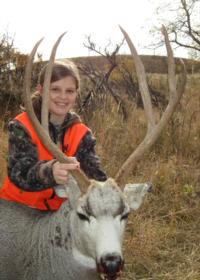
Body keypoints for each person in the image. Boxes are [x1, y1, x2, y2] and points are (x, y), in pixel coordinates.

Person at [0, 59, 107, 211]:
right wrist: (50, 172)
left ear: (76, 93)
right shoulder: (21, 126)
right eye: (55, 89)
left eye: (69, 91)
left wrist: (105, 188)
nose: (63, 97)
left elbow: (96, 176)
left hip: (57, 214)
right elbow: (19, 173)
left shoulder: (81, 133)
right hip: (18, 210)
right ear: (41, 89)